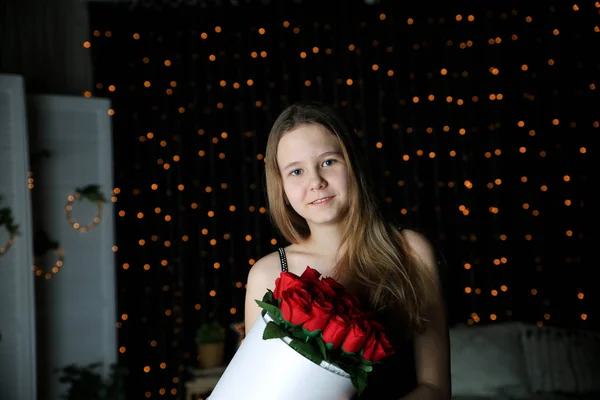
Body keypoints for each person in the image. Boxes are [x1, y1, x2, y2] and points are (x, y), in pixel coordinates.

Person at [244, 100, 451, 399]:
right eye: (296, 171)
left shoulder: (410, 252)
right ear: (281, 188)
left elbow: (435, 388)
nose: (316, 181)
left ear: (353, 164)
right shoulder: (267, 273)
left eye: (328, 162)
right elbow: (256, 392)